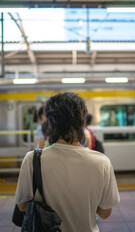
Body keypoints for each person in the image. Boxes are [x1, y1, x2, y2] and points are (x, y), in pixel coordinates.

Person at [15, 92, 120, 232]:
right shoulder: (102, 162)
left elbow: (22, 206)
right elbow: (105, 213)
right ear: (82, 122)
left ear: (50, 123)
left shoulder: (32, 159)